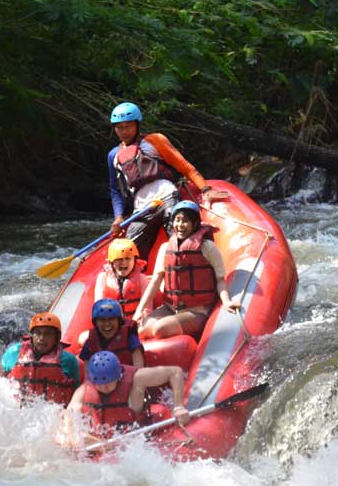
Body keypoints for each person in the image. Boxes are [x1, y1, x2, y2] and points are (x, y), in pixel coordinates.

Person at [107, 102, 216, 260]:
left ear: (137, 125)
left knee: (181, 238)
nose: (124, 131)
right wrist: (118, 216)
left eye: (128, 126)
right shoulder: (114, 155)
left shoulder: (154, 141)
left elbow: (185, 166)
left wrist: (205, 189)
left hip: (167, 197)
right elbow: (115, 190)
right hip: (142, 209)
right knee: (128, 254)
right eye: (119, 127)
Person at [134, 200, 241, 339]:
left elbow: (220, 280)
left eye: (185, 221)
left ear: (195, 224)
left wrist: (226, 302)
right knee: (141, 330)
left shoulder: (207, 247)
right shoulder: (165, 248)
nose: (180, 225)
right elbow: (155, 282)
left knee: (160, 329)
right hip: (171, 307)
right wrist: (139, 310)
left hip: (198, 310)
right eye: (177, 220)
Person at [63, 351, 190, 447]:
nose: (104, 387)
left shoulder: (137, 377)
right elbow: (70, 412)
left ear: (118, 376)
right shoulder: (84, 389)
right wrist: (71, 435)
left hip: (138, 438)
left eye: (108, 382)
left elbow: (175, 372)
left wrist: (178, 406)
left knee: (136, 386)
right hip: (104, 443)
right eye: (99, 384)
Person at [0, 312, 80, 407]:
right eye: (38, 333)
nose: (42, 338)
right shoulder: (14, 352)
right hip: (19, 411)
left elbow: (76, 392)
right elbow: (1, 377)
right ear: (31, 336)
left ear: (56, 338)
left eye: (48, 334)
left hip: (52, 414)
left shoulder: (69, 360)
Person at [93, 238, 151, 320]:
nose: (123, 262)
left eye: (128, 258)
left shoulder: (142, 279)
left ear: (135, 261)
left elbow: (147, 309)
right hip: (111, 325)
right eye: (119, 259)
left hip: (135, 324)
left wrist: (135, 323)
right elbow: (98, 307)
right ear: (111, 262)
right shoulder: (103, 278)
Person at [78, 298, 145, 368]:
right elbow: (88, 376)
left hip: (128, 377)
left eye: (111, 319)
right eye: (102, 320)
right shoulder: (90, 342)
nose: (107, 324)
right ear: (96, 323)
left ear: (119, 321)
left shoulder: (130, 337)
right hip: (101, 378)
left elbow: (139, 369)